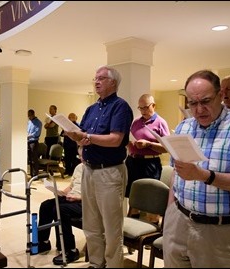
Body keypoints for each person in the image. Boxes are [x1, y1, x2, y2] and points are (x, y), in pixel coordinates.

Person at [163, 70, 230, 267]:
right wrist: (170, 211)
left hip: (220, 232)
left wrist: (205, 176)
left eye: (205, 101)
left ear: (220, 96)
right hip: (178, 222)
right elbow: (176, 174)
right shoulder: (184, 127)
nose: (199, 109)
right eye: (192, 103)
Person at [65, 65, 133, 268]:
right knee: (91, 224)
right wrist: (77, 138)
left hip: (109, 172)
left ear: (113, 82)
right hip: (89, 169)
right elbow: (84, 137)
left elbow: (115, 139)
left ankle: (113, 265)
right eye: (95, 78)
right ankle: (96, 263)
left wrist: (87, 137)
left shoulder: (121, 107)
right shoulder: (91, 109)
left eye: (101, 78)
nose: (96, 81)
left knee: (112, 227)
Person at [125, 94, 170, 222]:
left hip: (150, 163)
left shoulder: (161, 122)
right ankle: (132, 232)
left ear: (153, 106)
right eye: (140, 108)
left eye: (146, 107)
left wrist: (148, 144)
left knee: (150, 199)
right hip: (133, 161)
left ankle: (152, 230)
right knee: (133, 198)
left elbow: (166, 147)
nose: (143, 111)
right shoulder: (136, 121)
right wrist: (129, 143)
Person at [35, 163, 84, 265]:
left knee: (60, 210)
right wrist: (60, 192)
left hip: (84, 202)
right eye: (80, 156)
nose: (81, 159)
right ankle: (43, 242)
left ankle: (71, 250)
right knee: (46, 205)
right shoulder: (79, 167)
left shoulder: (94, 169)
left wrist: (78, 198)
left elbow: (94, 194)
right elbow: (71, 187)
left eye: (83, 156)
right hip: (71, 198)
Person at [27, 109, 43, 177]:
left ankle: (35, 175)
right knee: (30, 159)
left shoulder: (38, 122)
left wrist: (29, 135)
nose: (29, 117)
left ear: (33, 114)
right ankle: (31, 174)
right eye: (28, 116)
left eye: (30, 115)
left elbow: (37, 133)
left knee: (34, 159)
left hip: (34, 142)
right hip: (28, 141)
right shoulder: (29, 122)